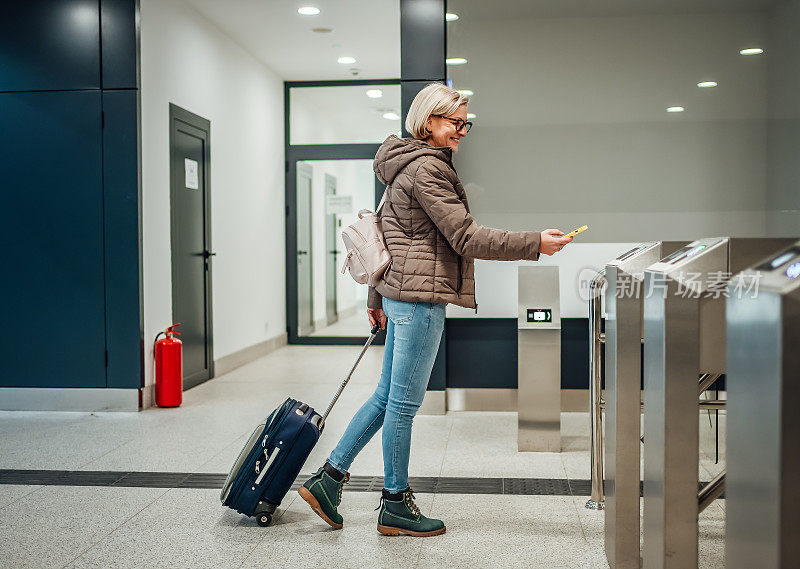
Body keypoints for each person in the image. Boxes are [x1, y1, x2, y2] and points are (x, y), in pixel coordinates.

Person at [299, 82, 573, 537]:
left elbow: (387, 234)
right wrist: (535, 244)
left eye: (466, 124)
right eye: (455, 122)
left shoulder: (401, 162)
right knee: (403, 405)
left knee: (387, 397)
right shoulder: (427, 169)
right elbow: (465, 237)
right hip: (420, 300)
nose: (462, 132)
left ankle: (329, 480)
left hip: (399, 294)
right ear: (429, 121)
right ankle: (394, 503)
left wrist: (376, 296)